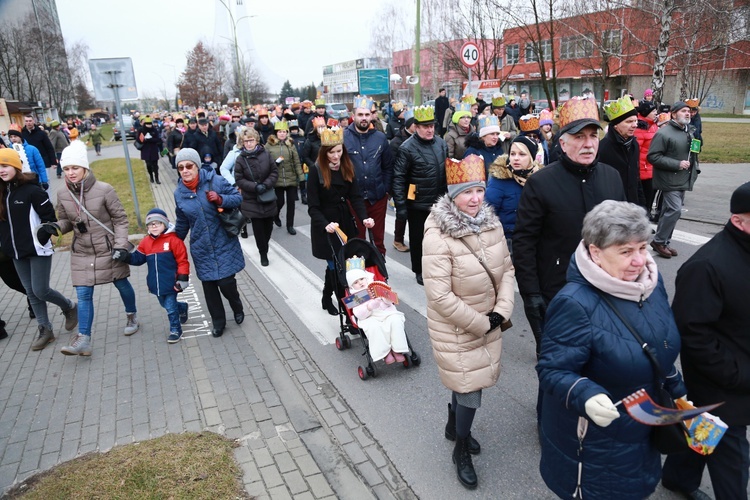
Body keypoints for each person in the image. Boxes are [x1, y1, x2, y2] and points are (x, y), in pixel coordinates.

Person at [537, 200, 686, 499]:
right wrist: (585, 393)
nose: (639, 260)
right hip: (597, 440)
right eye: (626, 251)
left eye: (642, 248)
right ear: (595, 252)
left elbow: (656, 346)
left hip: (645, 427)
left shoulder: (650, 285)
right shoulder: (575, 303)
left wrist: (677, 388)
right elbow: (552, 369)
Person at [422, 153, 515, 489]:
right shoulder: (437, 235)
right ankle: (460, 447)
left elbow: (506, 270)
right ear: (452, 195)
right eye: (466, 192)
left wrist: (501, 312)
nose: (475, 199)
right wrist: (481, 322)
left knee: (467, 382)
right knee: (470, 387)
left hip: (489, 320)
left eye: (479, 190)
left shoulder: (493, 224)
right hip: (458, 327)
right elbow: (440, 296)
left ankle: (453, 426)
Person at [513, 96, 626, 359]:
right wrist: (531, 294)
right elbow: (524, 241)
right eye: (579, 137)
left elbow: (624, 235)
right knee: (558, 364)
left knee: (602, 360)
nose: (588, 144)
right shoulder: (541, 183)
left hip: (605, 290)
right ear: (562, 143)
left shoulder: (612, 177)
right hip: (558, 293)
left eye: (593, 136)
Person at [660, 182, 750, 500]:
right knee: (733, 455)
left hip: (736, 371)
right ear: (739, 220)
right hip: (723, 381)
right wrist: (737, 375)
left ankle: (677, 478)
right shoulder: (707, 266)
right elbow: (692, 333)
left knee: (703, 428)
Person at [54, 141, 139, 356]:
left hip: (108, 248)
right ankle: (83, 338)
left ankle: (132, 315)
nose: (70, 173)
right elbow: (65, 221)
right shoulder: (62, 193)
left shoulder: (104, 189)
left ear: (85, 168)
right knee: (83, 294)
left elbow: (120, 219)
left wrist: (120, 245)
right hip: (81, 250)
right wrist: (54, 228)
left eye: (75, 167)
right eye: (66, 168)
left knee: (121, 283)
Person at [0, 148, 78, 351]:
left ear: (16, 167)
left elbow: (50, 220)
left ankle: (69, 307)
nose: (1, 170)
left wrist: (40, 238)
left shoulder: (32, 191)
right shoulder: (2, 193)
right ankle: (45, 329)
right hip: (15, 252)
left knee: (40, 289)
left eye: (5, 165)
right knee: (31, 292)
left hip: (37, 249)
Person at [174, 148, 245, 338]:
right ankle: (218, 322)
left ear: (197, 166)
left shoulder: (216, 181)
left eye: (189, 166)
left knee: (226, 283)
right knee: (210, 287)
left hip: (223, 240)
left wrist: (220, 199)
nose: (185, 170)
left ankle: (236, 305)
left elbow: (238, 198)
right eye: (181, 167)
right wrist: (173, 241)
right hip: (201, 246)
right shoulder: (179, 193)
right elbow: (182, 222)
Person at [307, 127, 374, 315]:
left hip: (345, 223)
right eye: (332, 152)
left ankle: (328, 296)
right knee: (336, 268)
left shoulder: (347, 166)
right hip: (327, 226)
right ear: (324, 153)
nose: (336, 156)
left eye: (339, 151)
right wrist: (324, 224)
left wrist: (364, 218)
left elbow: (356, 197)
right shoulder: (316, 171)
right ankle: (347, 310)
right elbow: (313, 206)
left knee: (347, 267)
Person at [114, 209, 190, 345]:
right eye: (150, 224)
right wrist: (126, 257)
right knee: (164, 304)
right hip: (155, 283)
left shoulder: (174, 241)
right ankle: (183, 307)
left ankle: (175, 330)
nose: (154, 227)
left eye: (158, 223)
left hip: (171, 282)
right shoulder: (146, 242)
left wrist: (183, 277)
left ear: (165, 224)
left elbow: (182, 260)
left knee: (171, 308)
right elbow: (138, 259)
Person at [392, 105, 448, 285]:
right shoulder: (406, 148)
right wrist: (401, 206)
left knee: (440, 239)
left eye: (432, 125)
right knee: (418, 240)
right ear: (416, 127)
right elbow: (399, 178)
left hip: (439, 201)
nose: (430, 129)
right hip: (417, 204)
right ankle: (419, 269)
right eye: (425, 126)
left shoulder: (441, 143)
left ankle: (438, 268)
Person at [647, 101, 699, 259]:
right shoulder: (664, 133)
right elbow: (653, 157)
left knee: (668, 211)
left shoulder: (688, 131)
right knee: (675, 210)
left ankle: (663, 242)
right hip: (668, 179)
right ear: (674, 114)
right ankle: (659, 241)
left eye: (689, 111)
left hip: (683, 177)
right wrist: (677, 164)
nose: (687, 113)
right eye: (683, 111)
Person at [344, 96, 394, 256]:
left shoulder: (380, 138)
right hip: (354, 199)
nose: (364, 118)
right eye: (360, 115)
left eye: (367, 114)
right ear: (353, 115)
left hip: (377, 198)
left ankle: (380, 272)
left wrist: (385, 189)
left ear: (372, 115)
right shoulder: (343, 137)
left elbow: (388, 166)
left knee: (378, 239)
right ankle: (359, 274)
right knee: (357, 239)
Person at [485, 136, 542, 254]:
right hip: (508, 241)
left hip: (536, 239)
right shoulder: (499, 180)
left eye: (522, 154)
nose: (516, 158)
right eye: (513, 153)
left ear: (531, 157)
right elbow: (487, 213)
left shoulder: (540, 178)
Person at [345, 256, 408, 364]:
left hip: (387, 312)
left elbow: (390, 300)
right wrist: (369, 307)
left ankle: (398, 350)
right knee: (374, 327)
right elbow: (358, 314)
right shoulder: (355, 296)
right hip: (369, 317)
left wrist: (385, 298)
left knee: (396, 321)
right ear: (352, 285)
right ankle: (385, 353)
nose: (360, 283)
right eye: (356, 282)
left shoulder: (377, 284)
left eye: (361, 279)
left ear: (366, 277)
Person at [234, 128, 278, 266]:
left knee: (268, 227)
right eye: (246, 141)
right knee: (258, 229)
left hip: (267, 196)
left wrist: (266, 184)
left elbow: (274, 172)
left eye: (251, 140)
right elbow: (239, 179)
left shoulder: (266, 154)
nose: (248, 144)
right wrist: (254, 187)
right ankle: (263, 253)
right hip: (252, 199)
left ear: (256, 140)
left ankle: (265, 245)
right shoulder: (240, 159)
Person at [599, 96, 645, 205]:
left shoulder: (634, 144)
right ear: (616, 125)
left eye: (635, 121)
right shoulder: (603, 148)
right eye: (629, 121)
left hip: (633, 205)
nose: (634, 125)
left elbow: (636, 179)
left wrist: (642, 205)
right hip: (612, 207)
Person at [264, 120, 303, 235]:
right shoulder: (269, 145)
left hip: (291, 178)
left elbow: (296, 161)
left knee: (291, 203)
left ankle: (290, 225)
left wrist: (301, 178)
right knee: (279, 201)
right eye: (280, 132)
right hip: (277, 179)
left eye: (284, 132)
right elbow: (265, 161)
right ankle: (275, 215)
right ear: (276, 133)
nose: (282, 134)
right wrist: (273, 164)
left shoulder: (290, 144)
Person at [634, 100, 659, 213]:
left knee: (649, 198)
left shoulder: (653, 125)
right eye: (653, 111)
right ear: (646, 112)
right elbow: (636, 151)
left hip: (652, 168)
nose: (656, 113)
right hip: (643, 170)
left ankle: (646, 220)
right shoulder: (640, 128)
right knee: (643, 199)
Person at [136, 116, 163, 184]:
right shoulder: (141, 130)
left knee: (155, 165)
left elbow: (158, 139)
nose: (149, 125)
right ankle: (151, 176)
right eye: (147, 124)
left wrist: (150, 139)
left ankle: (157, 178)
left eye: (150, 124)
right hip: (145, 150)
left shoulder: (154, 130)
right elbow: (138, 139)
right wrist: (144, 139)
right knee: (148, 164)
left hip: (153, 149)